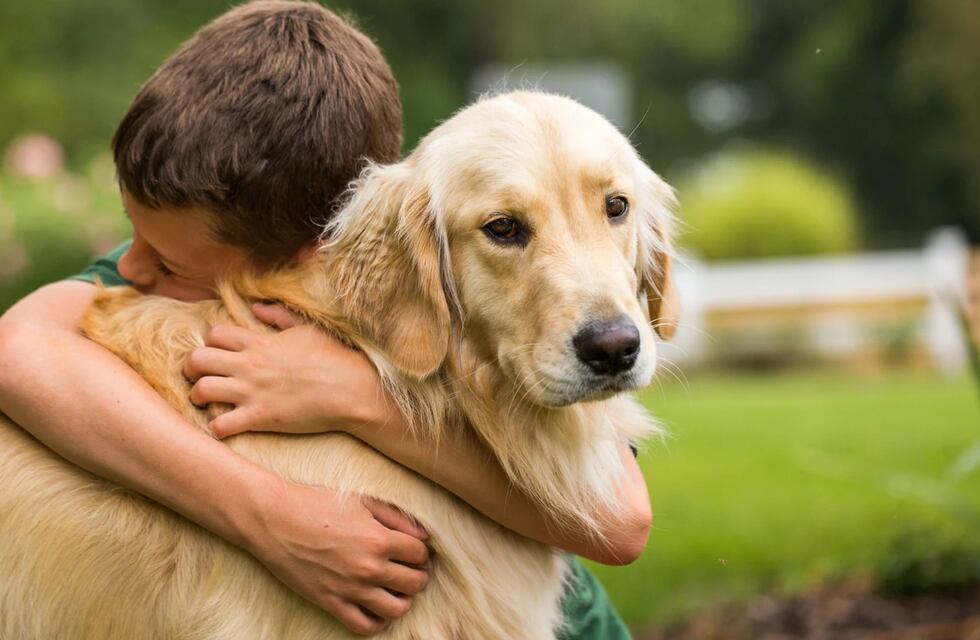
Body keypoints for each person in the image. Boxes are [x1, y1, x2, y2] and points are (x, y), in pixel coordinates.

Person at [0, 1, 648, 637]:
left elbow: (621, 523)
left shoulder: (368, 264)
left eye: (166, 260)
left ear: (307, 253)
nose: (134, 270)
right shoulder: (197, 256)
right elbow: (14, 350)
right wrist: (270, 514)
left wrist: (358, 399)